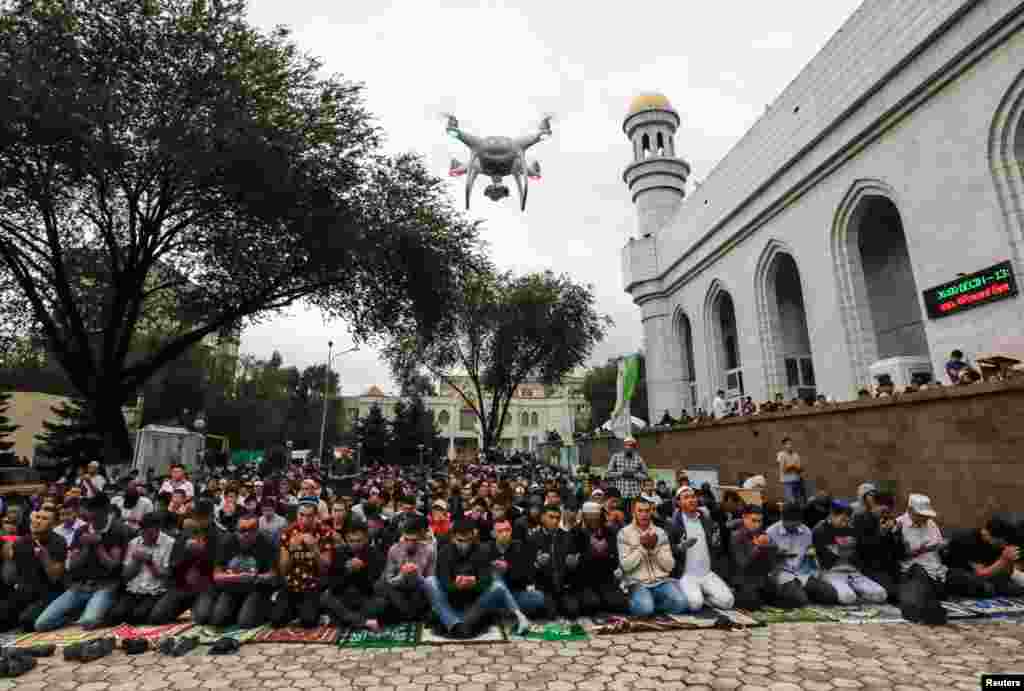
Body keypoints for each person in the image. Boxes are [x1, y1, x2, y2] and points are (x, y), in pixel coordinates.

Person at [35, 494, 134, 631]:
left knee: (88, 622)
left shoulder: (119, 530)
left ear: (106, 510)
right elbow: (73, 566)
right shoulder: (81, 531)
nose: (92, 516)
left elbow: (114, 567)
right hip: (79, 586)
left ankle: (94, 613)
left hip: (106, 586)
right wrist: (86, 547)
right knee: (41, 624)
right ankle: (74, 617)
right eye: (90, 512)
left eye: (95, 512)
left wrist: (98, 546)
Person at [424, 518, 530, 639]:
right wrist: (455, 585)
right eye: (460, 540)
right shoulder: (444, 552)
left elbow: (486, 581)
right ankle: (453, 623)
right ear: (453, 538)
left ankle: (520, 617)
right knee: (429, 581)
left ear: (473, 536)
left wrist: (474, 583)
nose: (465, 544)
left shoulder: (481, 551)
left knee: (498, 586)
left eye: (468, 540)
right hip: (451, 602)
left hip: (475, 604)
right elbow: (443, 582)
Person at [150, 500, 220, 624]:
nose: (200, 521)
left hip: (205, 587)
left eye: (204, 517)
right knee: (157, 617)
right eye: (197, 517)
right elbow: (173, 566)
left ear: (211, 517)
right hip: (182, 586)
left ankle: (197, 606)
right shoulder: (184, 536)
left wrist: (203, 553)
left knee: (201, 618)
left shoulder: (218, 536)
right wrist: (187, 553)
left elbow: (218, 568)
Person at [204, 513, 277, 628]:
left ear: (258, 531)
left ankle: (261, 608)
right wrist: (236, 577)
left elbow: (273, 576)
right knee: (217, 621)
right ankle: (239, 609)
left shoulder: (267, 543)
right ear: (236, 530)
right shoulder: (227, 542)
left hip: (257, 588)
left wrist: (256, 577)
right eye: (243, 530)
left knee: (245, 623)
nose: (246, 534)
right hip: (232, 587)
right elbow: (216, 576)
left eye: (251, 530)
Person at [618, 496, 688, 616]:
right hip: (637, 583)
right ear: (633, 512)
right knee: (645, 609)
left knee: (682, 604)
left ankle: (651, 605)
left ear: (651, 511)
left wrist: (654, 549)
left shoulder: (660, 532)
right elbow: (625, 566)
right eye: (640, 511)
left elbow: (670, 566)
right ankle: (643, 604)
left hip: (661, 582)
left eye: (647, 511)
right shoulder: (624, 533)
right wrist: (642, 548)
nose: (644, 514)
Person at [0, 506, 66, 631]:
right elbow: (9, 578)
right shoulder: (21, 542)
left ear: (53, 525)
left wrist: (44, 556)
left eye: (44, 519)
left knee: (27, 622)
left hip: (49, 593)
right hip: (25, 592)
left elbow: (55, 577)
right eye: (37, 517)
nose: (38, 521)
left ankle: (65, 614)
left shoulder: (58, 541)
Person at [667, 487, 734, 611]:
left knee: (728, 602)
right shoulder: (673, 525)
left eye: (693, 496)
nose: (691, 500)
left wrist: (715, 542)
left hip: (706, 573)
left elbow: (715, 548)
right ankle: (695, 596)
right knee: (695, 604)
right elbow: (667, 552)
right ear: (679, 502)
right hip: (687, 575)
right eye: (686, 498)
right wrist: (681, 547)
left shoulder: (706, 520)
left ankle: (704, 596)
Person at [272, 500, 335, 628]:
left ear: (315, 517)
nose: (304, 520)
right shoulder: (288, 532)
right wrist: (291, 549)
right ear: (296, 515)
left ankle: (306, 610)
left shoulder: (325, 533)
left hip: (313, 585)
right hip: (291, 584)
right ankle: (295, 609)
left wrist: (315, 550)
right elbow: (283, 570)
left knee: (308, 622)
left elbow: (325, 569)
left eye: (309, 516)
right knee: (276, 621)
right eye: (301, 515)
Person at [812, 500, 887, 605]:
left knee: (881, 594)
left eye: (848, 519)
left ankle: (857, 594)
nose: (845, 523)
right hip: (831, 572)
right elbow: (828, 556)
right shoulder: (820, 529)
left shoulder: (852, 528)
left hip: (853, 572)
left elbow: (859, 551)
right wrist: (846, 549)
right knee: (847, 597)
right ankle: (853, 595)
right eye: (842, 519)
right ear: (832, 515)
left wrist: (843, 549)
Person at [106, 512, 174, 625]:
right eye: (143, 532)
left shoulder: (169, 543)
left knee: (138, 616)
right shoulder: (134, 543)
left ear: (158, 529)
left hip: (156, 591)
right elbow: (126, 575)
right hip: (134, 589)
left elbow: (166, 574)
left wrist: (150, 562)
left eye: (149, 532)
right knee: (116, 616)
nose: (145, 535)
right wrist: (135, 562)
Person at [765, 503, 837, 608]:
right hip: (782, 573)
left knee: (831, 595)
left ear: (800, 521)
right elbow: (765, 560)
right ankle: (793, 593)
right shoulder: (771, 532)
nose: (793, 527)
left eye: (796, 524)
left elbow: (810, 556)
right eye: (790, 524)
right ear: (782, 519)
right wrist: (777, 555)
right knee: (800, 600)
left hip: (802, 573)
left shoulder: (806, 531)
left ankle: (801, 591)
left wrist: (813, 566)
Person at [373, 515, 434, 625]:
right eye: (407, 539)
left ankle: (407, 614)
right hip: (398, 589)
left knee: (428, 592)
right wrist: (402, 575)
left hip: (418, 589)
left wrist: (417, 576)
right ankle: (410, 615)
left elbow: (431, 580)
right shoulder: (394, 550)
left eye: (414, 540)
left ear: (420, 537)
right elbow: (389, 580)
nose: (410, 543)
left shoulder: (429, 550)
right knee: (384, 586)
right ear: (402, 537)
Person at [943, 515, 1024, 598]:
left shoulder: (995, 544)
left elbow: (1006, 573)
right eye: (1002, 542)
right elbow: (980, 574)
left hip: (986, 574)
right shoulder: (968, 541)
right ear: (989, 535)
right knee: (987, 588)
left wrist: (1009, 561)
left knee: (1015, 589)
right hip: (958, 573)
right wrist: (1004, 559)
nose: (1003, 545)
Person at [483, 519, 545, 622]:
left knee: (539, 597)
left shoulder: (520, 547)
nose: (504, 534)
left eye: (507, 530)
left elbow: (525, 575)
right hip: (493, 593)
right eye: (500, 531)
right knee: (496, 576)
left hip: (514, 592)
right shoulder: (485, 548)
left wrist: (508, 568)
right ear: (493, 534)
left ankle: (504, 609)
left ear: (511, 531)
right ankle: (512, 611)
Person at [530, 504, 580, 619]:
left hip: (564, 586)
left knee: (573, 611)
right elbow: (526, 569)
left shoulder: (567, 536)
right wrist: (537, 564)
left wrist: (573, 565)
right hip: (543, 586)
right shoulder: (533, 538)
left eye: (558, 518)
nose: (555, 521)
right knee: (549, 614)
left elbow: (573, 563)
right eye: (551, 517)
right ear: (542, 518)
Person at [729, 505, 780, 610]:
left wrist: (771, 549)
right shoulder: (736, 536)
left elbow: (770, 562)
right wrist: (758, 548)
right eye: (754, 521)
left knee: (784, 598)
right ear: (744, 518)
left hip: (761, 577)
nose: (757, 524)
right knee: (753, 603)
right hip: (743, 579)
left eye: (760, 521)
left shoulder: (762, 534)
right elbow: (743, 564)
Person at [605, 438, 648, 504]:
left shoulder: (639, 459)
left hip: (635, 494)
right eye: (627, 445)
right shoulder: (615, 457)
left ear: (635, 447)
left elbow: (645, 476)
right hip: (620, 494)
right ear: (624, 446)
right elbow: (608, 474)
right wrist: (621, 473)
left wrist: (634, 475)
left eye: (631, 445)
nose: (629, 447)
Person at [776, 438, 805, 505]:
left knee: (797, 500)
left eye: (791, 444)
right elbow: (783, 469)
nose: (790, 445)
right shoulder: (781, 455)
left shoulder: (796, 455)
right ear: (783, 445)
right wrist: (791, 467)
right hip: (787, 480)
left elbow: (800, 468)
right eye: (788, 444)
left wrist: (798, 468)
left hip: (796, 480)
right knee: (790, 500)